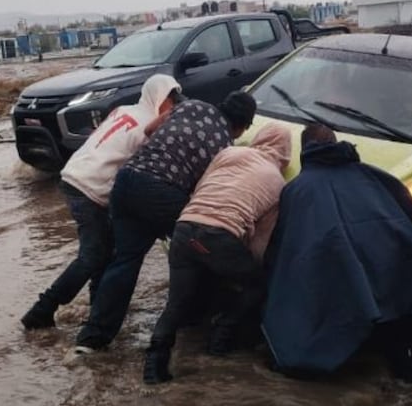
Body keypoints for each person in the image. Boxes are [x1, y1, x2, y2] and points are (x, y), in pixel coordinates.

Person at [261, 124, 412, 382]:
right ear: (336, 143)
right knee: (410, 363)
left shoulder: (297, 189)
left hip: (350, 291)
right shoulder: (376, 176)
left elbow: (287, 256)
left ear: (304, 150)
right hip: (396, 279)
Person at [74, 91, 258, 352]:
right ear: (242, 126)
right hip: (161, 191)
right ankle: (193, 320)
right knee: (197, 243)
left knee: (124, 261)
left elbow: (149, 129)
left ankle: (92, 339)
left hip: (126, 180)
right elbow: (205, 192)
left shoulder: (192, 104)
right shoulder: (224, 145)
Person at [20, 74, 182, 329]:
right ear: (158, 98)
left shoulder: (124, 110)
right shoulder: (149, 127)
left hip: (74, 175)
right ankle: (42, 310)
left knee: (104, 250)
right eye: (170, 102)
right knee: (92, 256)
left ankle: (97, 309)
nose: (172, 108)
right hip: (90, 187)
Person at [143, 124, 292, 384]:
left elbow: (200, 186)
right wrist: (246, 265)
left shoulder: (228, 153)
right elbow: (260, 242)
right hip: (218, 236)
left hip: (184, 228)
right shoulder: (277, 182)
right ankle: (220, 337)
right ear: (285, 152)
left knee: (176, 303)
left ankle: (155, 363)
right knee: (257, 284)